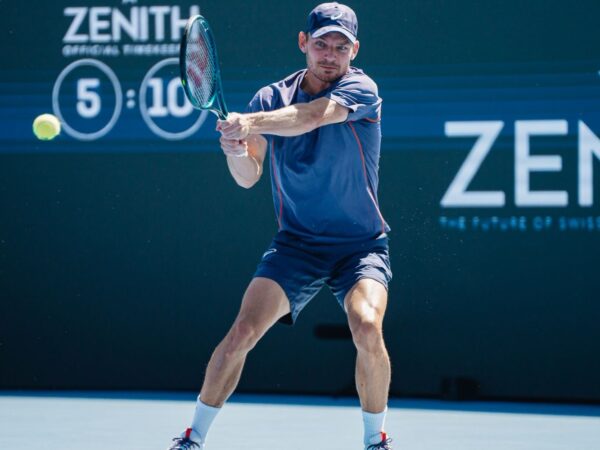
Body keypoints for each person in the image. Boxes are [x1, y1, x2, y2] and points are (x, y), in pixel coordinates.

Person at [168, 3, 393, 450]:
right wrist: (235, 147)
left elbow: (311, 116)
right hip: (296, 246)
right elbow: (249, 176)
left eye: (341, 47)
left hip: (360, 246)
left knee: (367, 326)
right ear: (303, 43)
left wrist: (247, 123)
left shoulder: (361, 88)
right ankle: (192, 438)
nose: (331, 55)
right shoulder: (269, 98)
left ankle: (376, 441)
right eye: (322, 44)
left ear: (355, 51)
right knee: (241, 334)